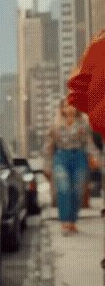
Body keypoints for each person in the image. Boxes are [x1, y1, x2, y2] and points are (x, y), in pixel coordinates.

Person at [44, 100, 96, 235]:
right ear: (62, 108)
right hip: (61, 157)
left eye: (72, 105)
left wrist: (93, 157)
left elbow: (88, 142)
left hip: (79, 157)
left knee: (77, 189)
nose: (70, 108)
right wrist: (47, 165)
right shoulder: (55, 124)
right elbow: (49, 146)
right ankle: (65, 222)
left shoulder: (83, 123)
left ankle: (73, 221)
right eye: (66, 106)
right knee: (63, 187)